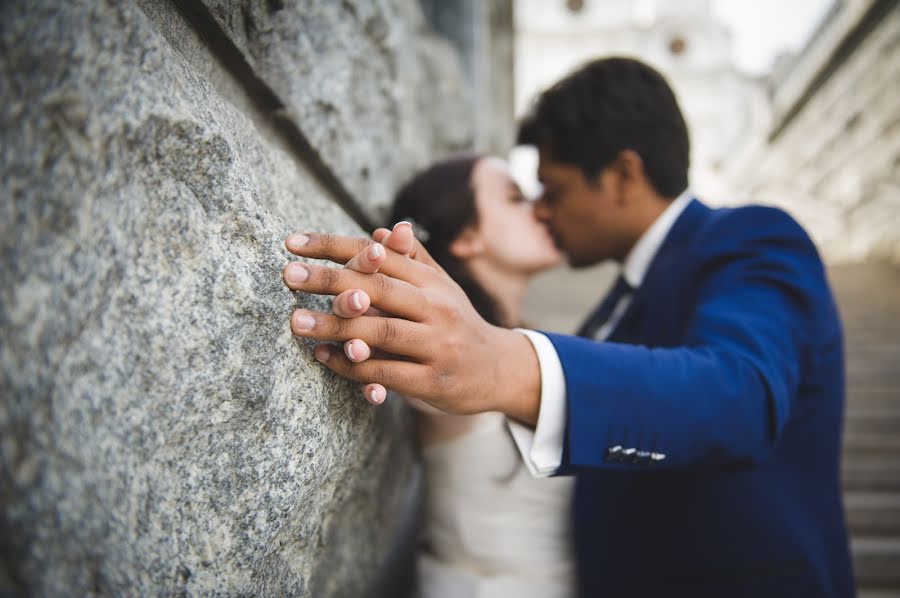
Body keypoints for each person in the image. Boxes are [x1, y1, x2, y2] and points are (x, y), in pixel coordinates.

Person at [281, 57, 854, 597]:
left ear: (624, 174)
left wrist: (505, 365)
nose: (544, 211)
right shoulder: (613, 308)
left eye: (554, 190)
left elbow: (740, 396)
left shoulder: (754, 238)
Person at [388, 155, 575, 597]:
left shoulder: (534, 347)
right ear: (467, 238)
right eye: (516, 198)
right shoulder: (438, 350)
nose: (541, 209)